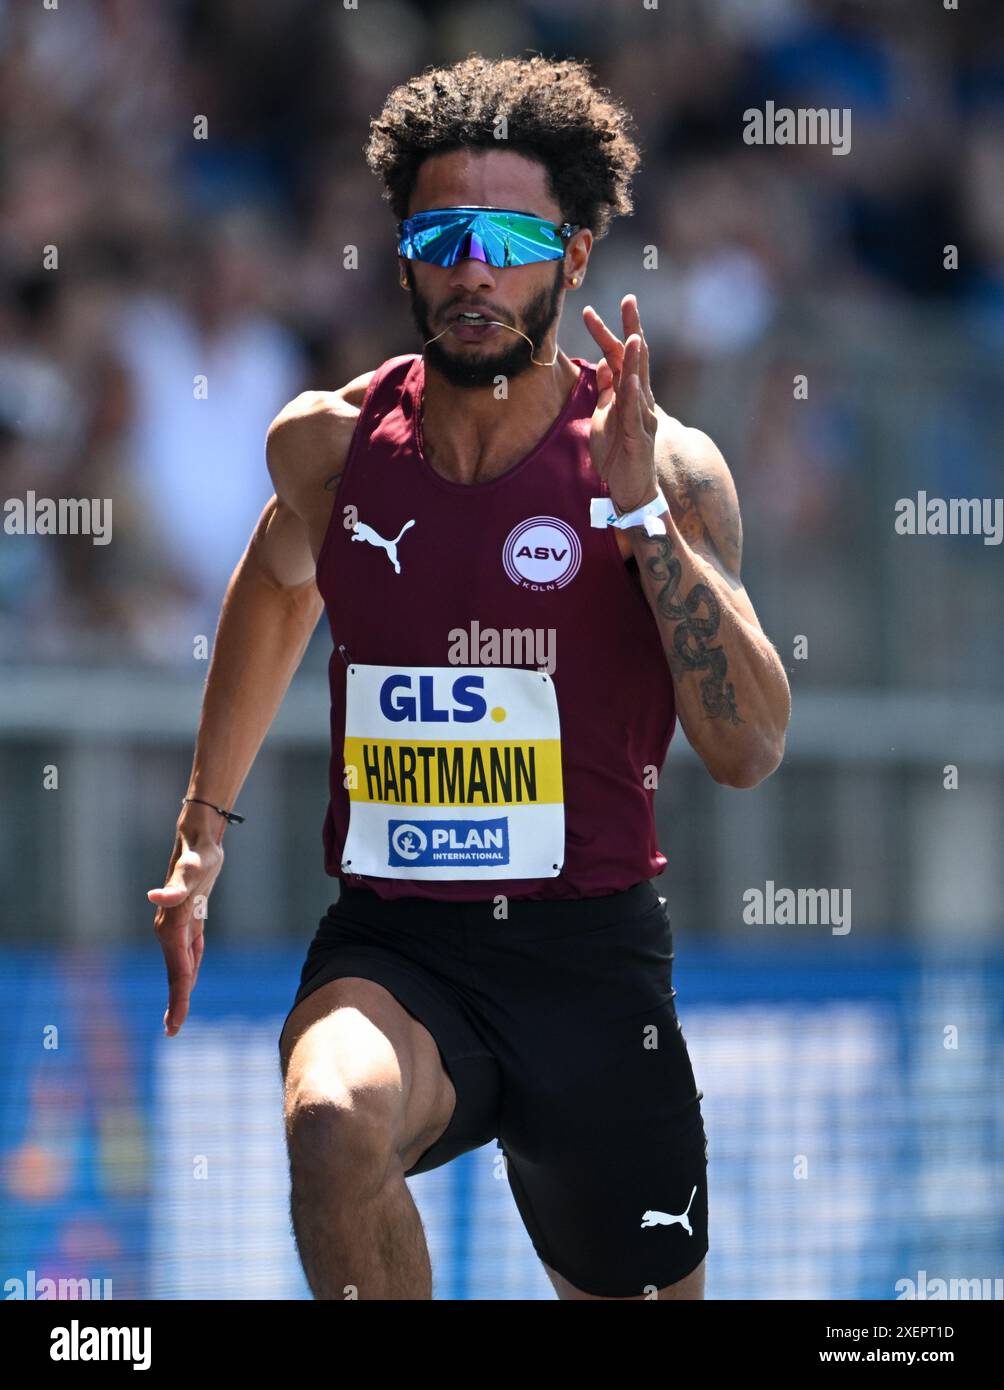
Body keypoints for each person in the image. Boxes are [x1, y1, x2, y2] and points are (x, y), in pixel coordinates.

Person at [148, 54, 791, 1301]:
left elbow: (747, 745)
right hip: (398, 944)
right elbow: (282, 586)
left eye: (509, 236)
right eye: (443, 234)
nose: (475, 269)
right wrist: (199, 831)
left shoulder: (667, 465)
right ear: (403, 256)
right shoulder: (327, 448)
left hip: (591, 963)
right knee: (329, 1120)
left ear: (575, 255)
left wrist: (639, 514)